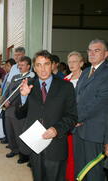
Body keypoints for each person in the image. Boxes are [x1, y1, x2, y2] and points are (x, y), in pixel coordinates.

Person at [19, 50, 77, 181]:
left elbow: (72, 116)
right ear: (34, 67)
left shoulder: (66, 87)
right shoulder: (28, 85)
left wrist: (56, 129)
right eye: (39, 65)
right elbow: (19, 114)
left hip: (56, 145)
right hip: (35, 146)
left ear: (52, 65)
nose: (43, 69)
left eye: (46, 64)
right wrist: (23, 97)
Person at [74, 39, 108, 181]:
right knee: (80, 171)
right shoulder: (86, 71)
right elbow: (76, 97)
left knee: (94, 173)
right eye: (89, 50)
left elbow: (98, 102)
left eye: (97, 50)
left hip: (95, 132)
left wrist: (76, 118)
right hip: (79, 130)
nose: (92, 53)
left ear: (106, 54)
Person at [3, 56, 32, 164]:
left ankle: (23, 154)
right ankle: (14, 149)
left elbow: (19, 93)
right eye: (19, 65)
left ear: (28, 66)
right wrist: (3, 101)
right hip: (8, 108)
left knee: (19, 132)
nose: (19, 67)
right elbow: (8, 90)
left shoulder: (31, 78)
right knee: (10, 131)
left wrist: (9, 101)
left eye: (22, 65)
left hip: (18, 109)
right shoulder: (15, 76)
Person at [63, 51, 84, 181]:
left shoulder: (87, 79)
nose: (71, 64)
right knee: (68, 153)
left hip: (83, 124)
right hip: (68, 123)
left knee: (80, 155)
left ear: (81, 63)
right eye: (69, 61)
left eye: (75, 61)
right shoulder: (65, 81)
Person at [0, 58, 16, 145]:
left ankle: (9, 138)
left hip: (8, 101)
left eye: (7, 66)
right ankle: (6, 136)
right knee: (3, 118)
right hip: (3, 100)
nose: (5, 67)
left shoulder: (14, 77)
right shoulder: (6, 75)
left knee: (7, 119)